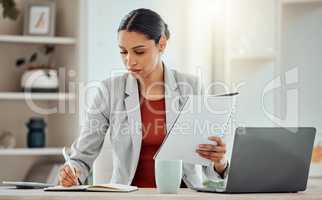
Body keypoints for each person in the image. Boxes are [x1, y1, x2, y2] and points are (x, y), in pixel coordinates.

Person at [59, 8, 228, 188]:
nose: (129, 61)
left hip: (182, 196)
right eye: (123, 52)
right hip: (128, 195)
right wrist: (72, 172)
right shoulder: (109, 90)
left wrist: (220, 162)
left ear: (161, 44)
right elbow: (81, 158)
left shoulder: (191, 87)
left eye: (139, 52)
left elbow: (211, 171)